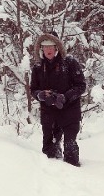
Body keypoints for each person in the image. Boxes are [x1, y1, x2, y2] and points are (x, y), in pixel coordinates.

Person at [30, 32, 86, 166]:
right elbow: (33, 90)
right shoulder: (38, 68)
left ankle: (75, 179)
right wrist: (41, 95)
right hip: (49, 114)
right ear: (41, 49)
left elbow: (81, 86)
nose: (48, 50)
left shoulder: (70, 63)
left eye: (51, 46)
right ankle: (52, 181)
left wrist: (65, 97)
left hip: (69, 112)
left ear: (57, 47)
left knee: (70, 150)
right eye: (45, 47)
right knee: (49, 153)